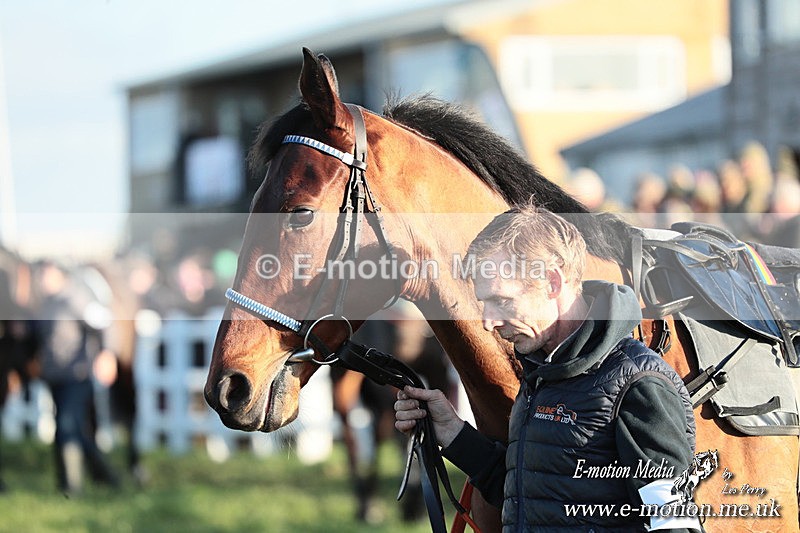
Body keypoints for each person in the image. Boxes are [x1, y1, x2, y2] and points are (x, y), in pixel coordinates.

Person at [395, 206, 696, 531]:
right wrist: (451, 432)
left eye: (502, 301)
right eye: (484, 302)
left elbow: (674, 524)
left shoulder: (639, 385)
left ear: (552, 282)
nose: (488, 321)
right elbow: (528, 495)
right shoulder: (542, 371)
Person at [35, 261, 119, 495]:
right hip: (55, 377)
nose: (42, 280)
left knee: (66, 426)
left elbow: (104, 325)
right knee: (72, 429)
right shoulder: (46, 303)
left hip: (76, 375)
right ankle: (105, 476)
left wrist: (106, 354)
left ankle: (71, 489)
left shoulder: (76, 299)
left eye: (47, 275)